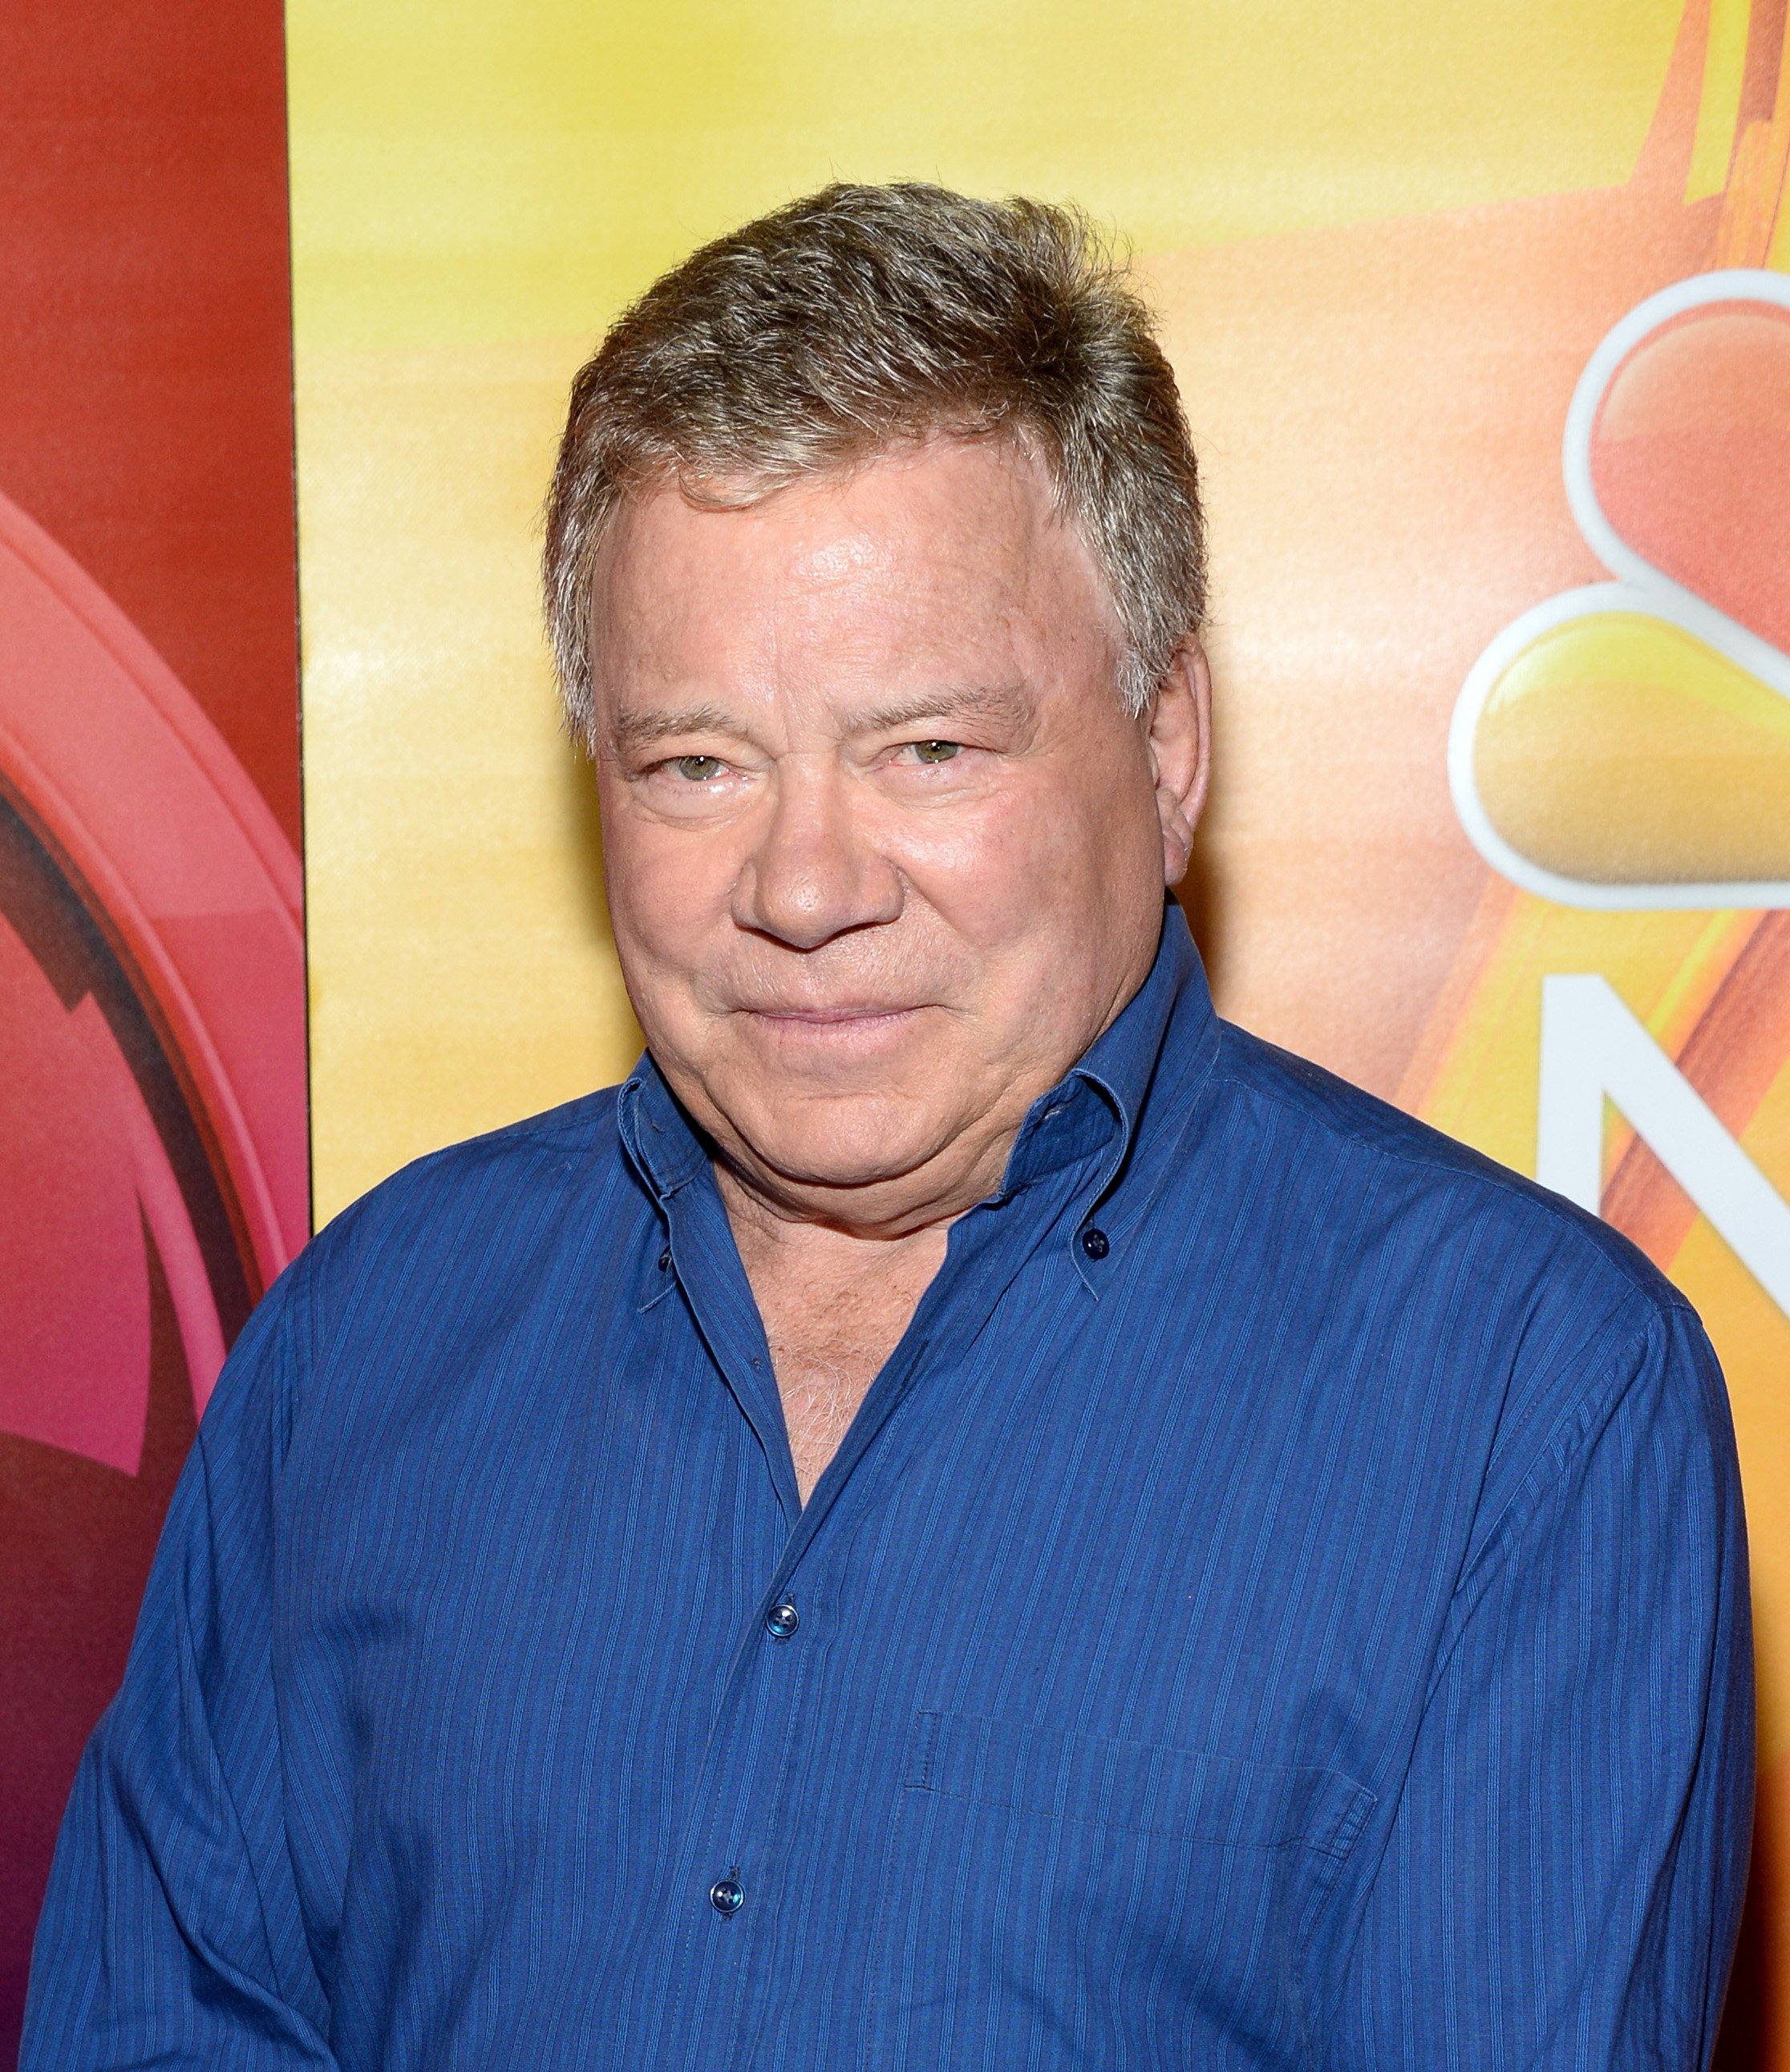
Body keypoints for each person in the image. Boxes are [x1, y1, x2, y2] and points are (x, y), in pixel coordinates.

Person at [25, 183, 1751, 2070]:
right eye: (699, 762)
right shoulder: (359, 1350)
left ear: (1168, 742)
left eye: (928, 747)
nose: (805, 879)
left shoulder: (1529, 1399)